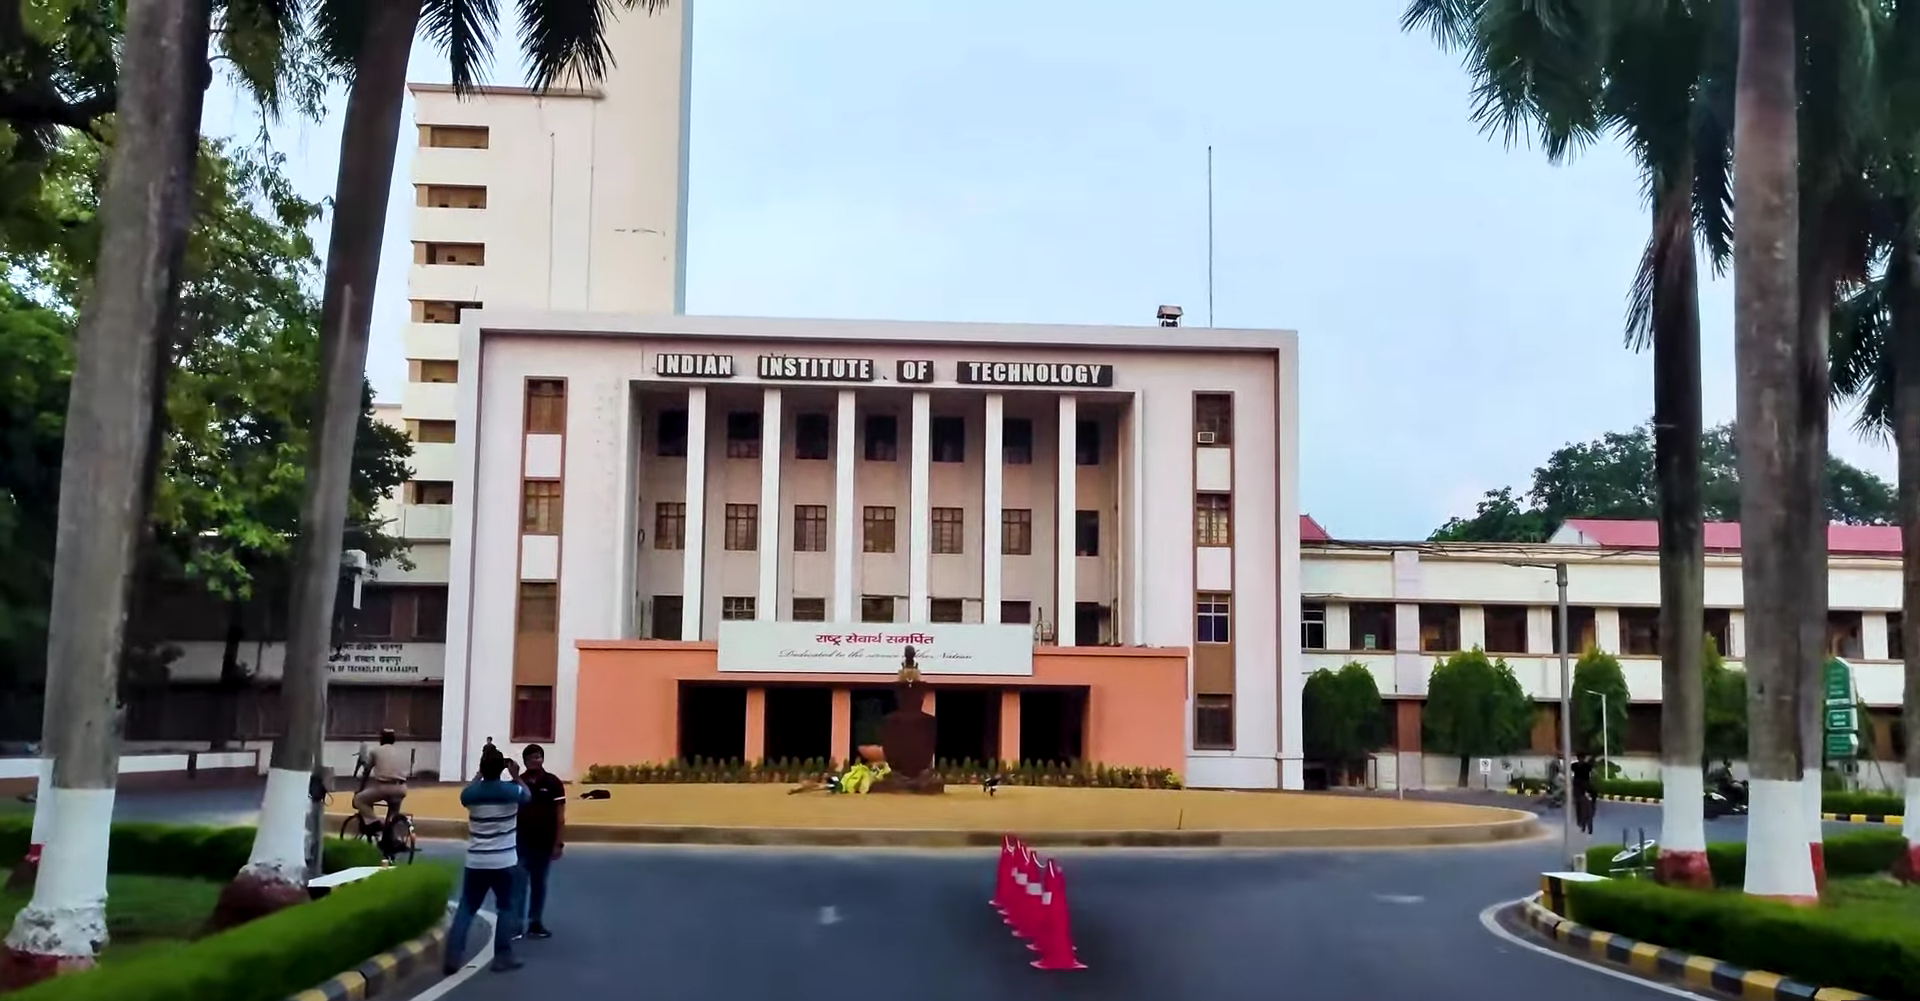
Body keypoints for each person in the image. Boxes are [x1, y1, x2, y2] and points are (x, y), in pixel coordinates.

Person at [444, 746, 530, 975]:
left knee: (467, 907)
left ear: (482, 768)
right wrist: (516, 776)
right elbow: (528, 796)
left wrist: (479, 775)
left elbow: (466, 792)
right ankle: (503, 957)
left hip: (477, 860)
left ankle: (452, 956)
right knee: (506, 907)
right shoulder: (512, 791)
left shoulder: (471, 795)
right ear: (502, 768)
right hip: (505, 861)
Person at [515, 744, 567, 939]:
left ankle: (535, 922)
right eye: (530, 758)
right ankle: (516, 924)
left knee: (539, 884)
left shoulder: (553, 782)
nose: (534, 761)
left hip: (544, 842)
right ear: (525, 761)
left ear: (542, 759)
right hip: (521, 841)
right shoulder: (519, 782)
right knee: (519, 885)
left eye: (537, 757)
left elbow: (560, 815)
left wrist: (558, 843)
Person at [353, 729, 408, 830]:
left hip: (385, 788)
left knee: (359, 799)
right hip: (402, 788)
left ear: (381, 739)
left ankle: (375, 822)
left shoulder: (375, 751)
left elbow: (367, 771)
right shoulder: (401, 751)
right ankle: (389, 834)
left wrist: (361, 789)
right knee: (392, 817)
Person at [1569, 752, 1597, 835]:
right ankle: (1583, 824)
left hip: (1581, 787)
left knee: (1582, 808)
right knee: (1582, 808)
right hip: (1581, 787)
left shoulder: (1577, 766)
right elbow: (1593, 774)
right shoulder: (1583, 766)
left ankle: (1584, 824)